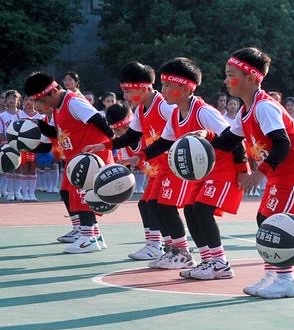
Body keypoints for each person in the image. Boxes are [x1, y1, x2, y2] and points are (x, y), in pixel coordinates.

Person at [216, 47, 294, 298]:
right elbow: (228, 140)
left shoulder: (265, 107)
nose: (225, 79)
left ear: (251, 78)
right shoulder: (245, 110)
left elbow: (282, 143)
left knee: (279, 224)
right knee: (265, 220)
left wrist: (260, 172)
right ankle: (274, 274)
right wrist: (202, 144)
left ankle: (287, 280)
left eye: (231, 74)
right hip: (281, 173)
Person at [137, 57, 245, 279]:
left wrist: (243, 170)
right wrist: (138, 157)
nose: (162, 90)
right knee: (190, 210)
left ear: (186, 88)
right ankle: (208, 260)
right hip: (203, 173)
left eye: (168, 85)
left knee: (203, 211)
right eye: (163, 85)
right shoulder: (176, 114)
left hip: (223, 169)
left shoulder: (204, 112)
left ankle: (220, 263)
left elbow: (235, 139)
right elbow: (164, 142)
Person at [89, 62, 175, 263]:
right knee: (147, 204)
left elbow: (182, 128)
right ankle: (158, 246)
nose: (126, 97)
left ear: (144, 86)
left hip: (171, 167)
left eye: (128, 91)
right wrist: (104, 146)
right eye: (124, 91)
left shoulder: (163, 106)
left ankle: (172, 248)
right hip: (158, 169)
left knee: (159, 205)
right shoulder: (141, 110)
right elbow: (131, 136)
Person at [23, 72, 114, 253]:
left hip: (90, 157)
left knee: (82, 195)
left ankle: (88, 237)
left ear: (53, 92)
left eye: (40, 101)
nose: (38, 106)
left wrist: (109, 141)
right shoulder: (57, 109)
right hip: (76, 160)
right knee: (66, 191)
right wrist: (29, 139)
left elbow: (98, 118)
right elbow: (55, 136)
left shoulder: (73, 102)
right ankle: (90, 232)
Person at [15, 93, 42, 201]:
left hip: (35, 146)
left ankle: (32, 193)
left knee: (33, 169)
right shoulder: (18, 115)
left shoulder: (40, 116)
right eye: (26, 99)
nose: (28, 102)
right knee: (24, 169)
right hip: (22, 146)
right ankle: (24, 193)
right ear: (23, 101)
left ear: (35, 102)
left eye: (31, 100)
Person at [1, 90, 21, 201]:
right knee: (9, 169)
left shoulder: (21, 114)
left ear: (18, 100)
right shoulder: (2, 116)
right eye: (9, 98)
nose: (11, 100)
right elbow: (1, 133)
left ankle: (18, 191)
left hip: (19, 145)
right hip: (7, 145)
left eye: (14, 98)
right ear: (6, 101)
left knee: (18, 169)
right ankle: (10, 192)